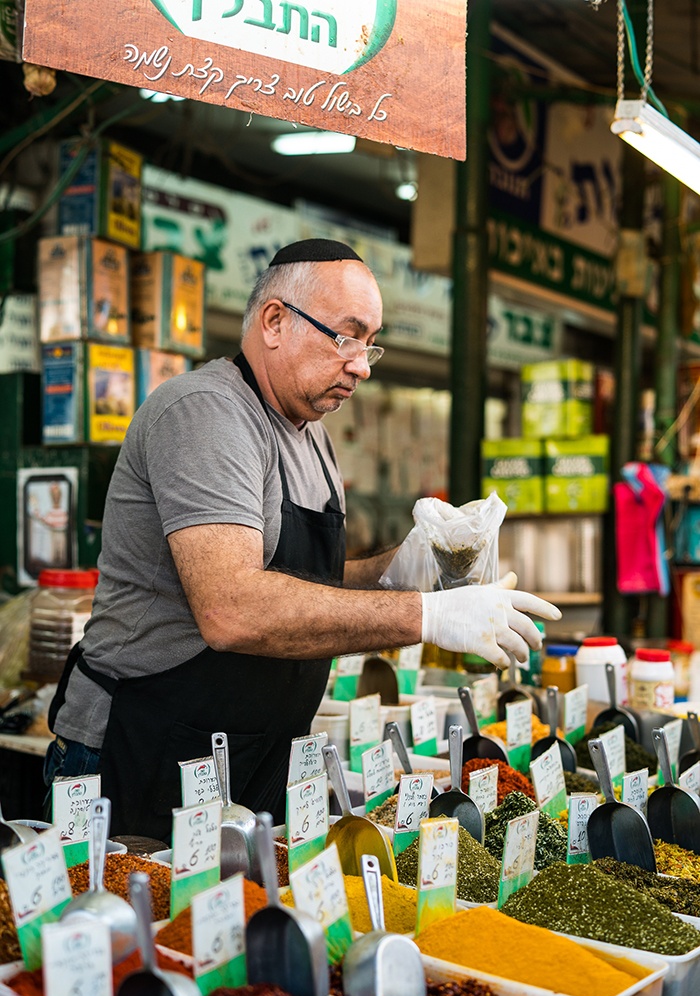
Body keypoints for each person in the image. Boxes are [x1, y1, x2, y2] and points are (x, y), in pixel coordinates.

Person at [43, 238, 560, 840]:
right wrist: (426, 614)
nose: (363, 365)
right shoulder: (207, 412)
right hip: (140, 753)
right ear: (274, 322)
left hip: (243, 757)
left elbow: (301, 583)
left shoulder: (309, 432)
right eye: (347, 336)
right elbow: (232, 608)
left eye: (372, 343)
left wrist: (405, 567)